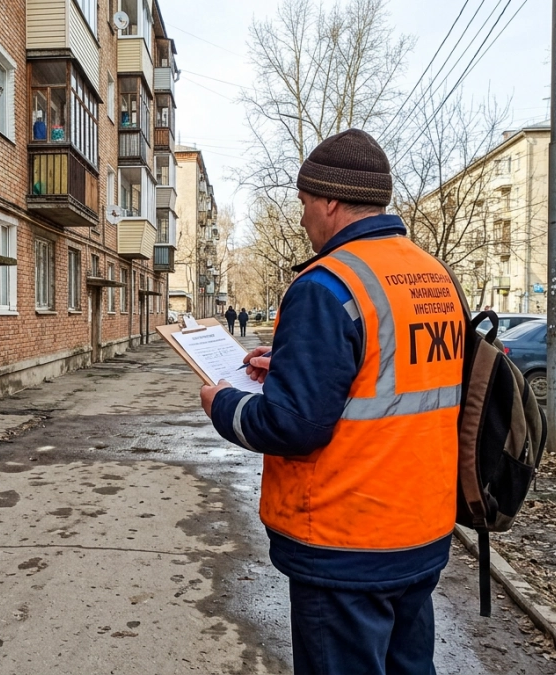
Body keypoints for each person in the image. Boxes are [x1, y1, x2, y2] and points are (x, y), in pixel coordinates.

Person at [198, 129, 462, 675]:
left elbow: (292, 425)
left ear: (330, 201)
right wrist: (296, 366)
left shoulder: (327, 284)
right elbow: (387, 377)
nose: (301, 219)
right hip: (422, 527)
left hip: (348, 539)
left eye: (302, 203)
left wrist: (222, 403)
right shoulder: (435, 277)